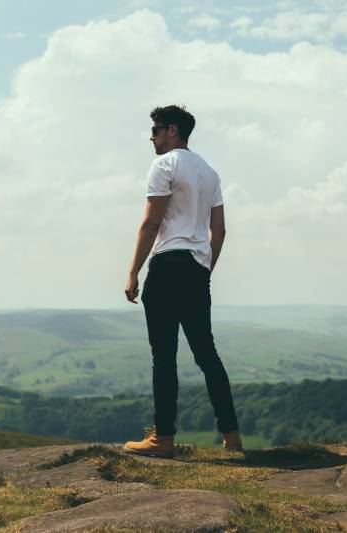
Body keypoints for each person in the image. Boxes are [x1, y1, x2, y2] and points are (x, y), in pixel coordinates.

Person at [123, 104, 242, 458]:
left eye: (156, 131)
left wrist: (133, 271)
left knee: (164, 356)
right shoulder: (210, 172)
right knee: (207, 355)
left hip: (167, 266)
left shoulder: (164, 165)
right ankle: (231, 435)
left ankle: (163, 438)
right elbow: (218, 230)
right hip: (196, 270)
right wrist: (205, 268)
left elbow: (151, 222)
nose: (152, 139)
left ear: (172, 130)